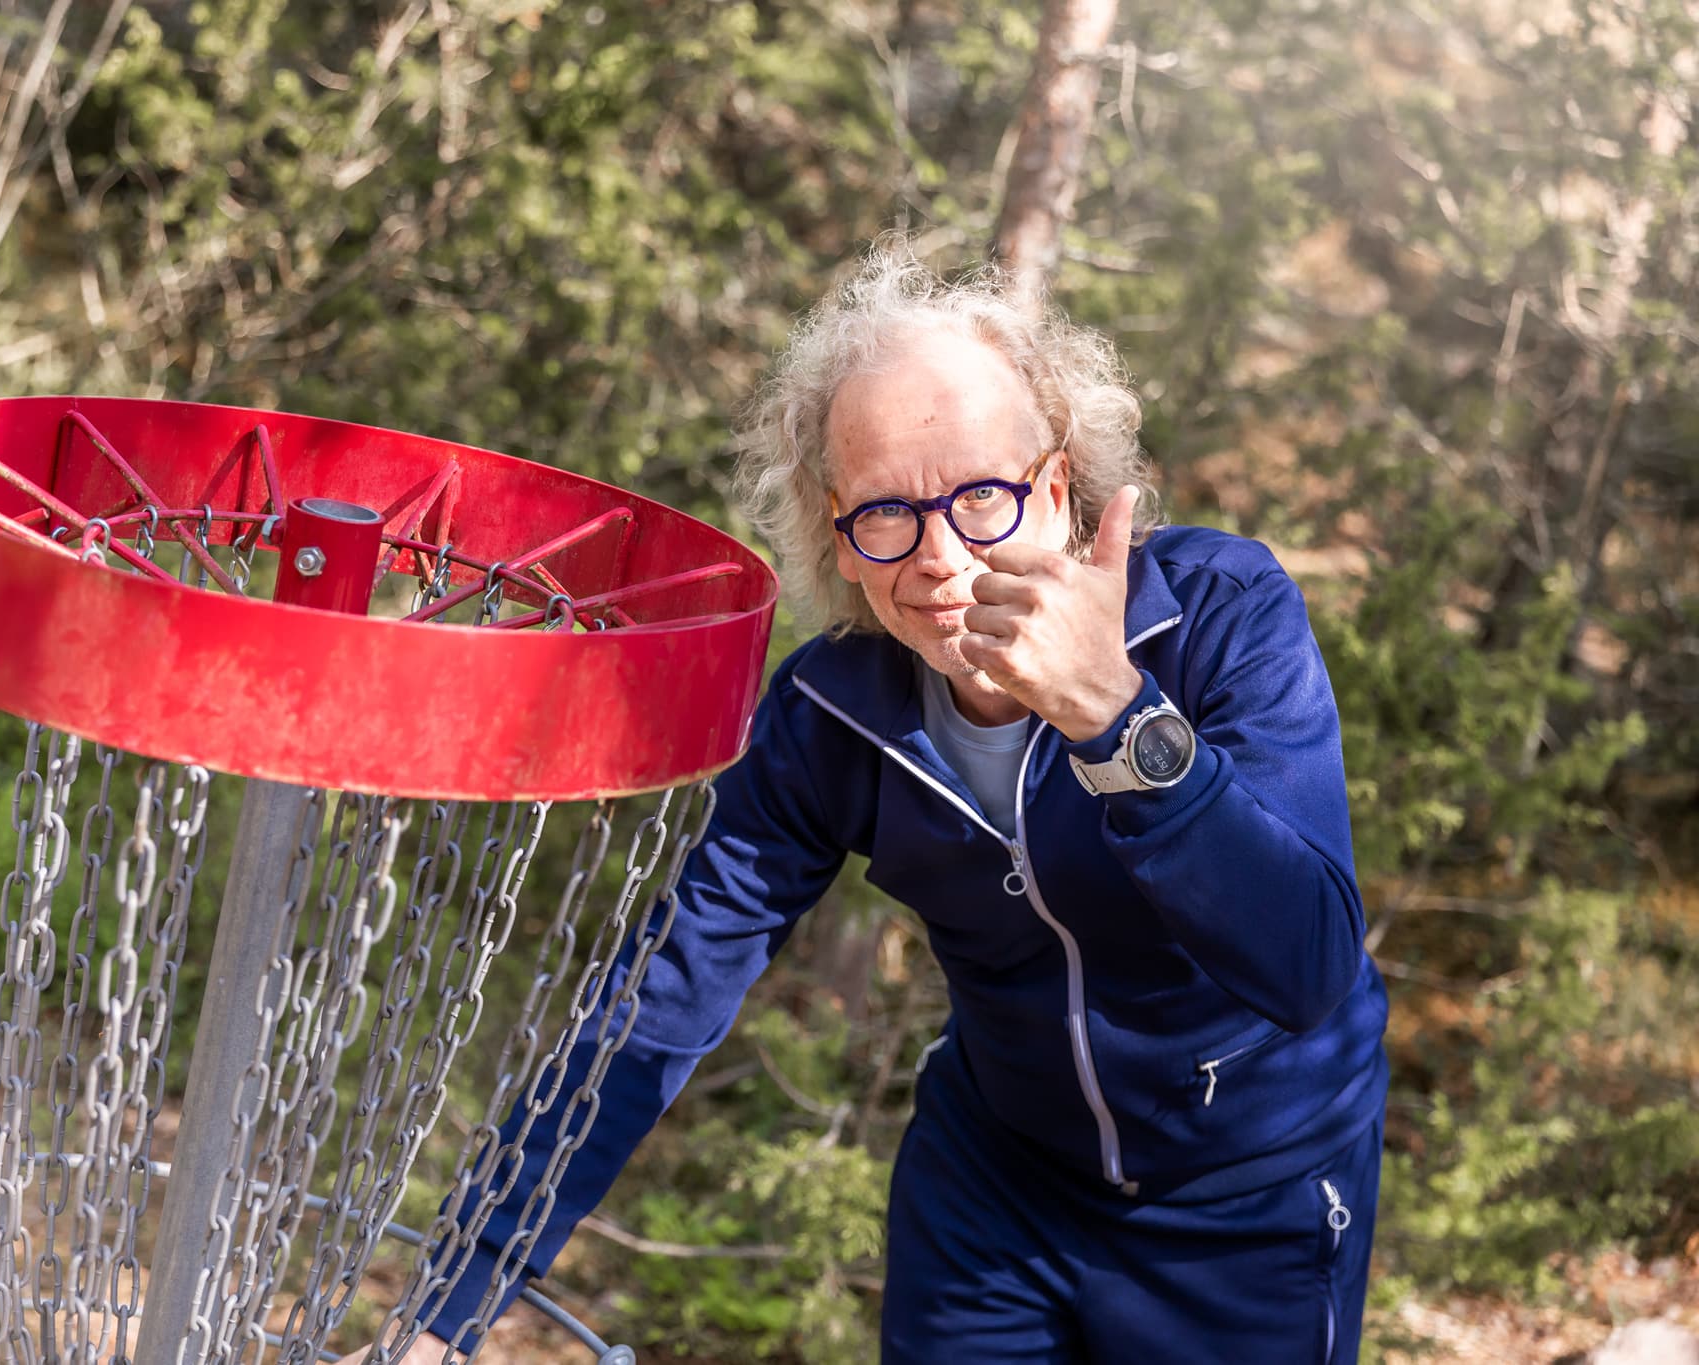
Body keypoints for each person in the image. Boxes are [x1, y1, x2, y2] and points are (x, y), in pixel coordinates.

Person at [342, 238, 1389, 1363]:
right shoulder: (830, 721)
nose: (938, 557)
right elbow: (657, 1000)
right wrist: (449, 1309)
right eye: (885, 514)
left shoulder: (1218, 615)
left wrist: (1118, 721)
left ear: (1056, 482)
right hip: (995, 1189)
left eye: (981, 497)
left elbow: (1306, 963)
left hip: (1247, 1205)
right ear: (835, 526)